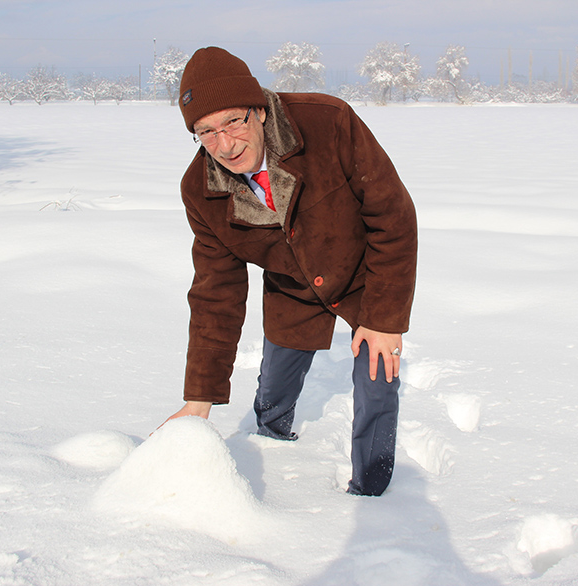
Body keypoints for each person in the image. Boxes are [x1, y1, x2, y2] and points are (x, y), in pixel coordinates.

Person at [162, 47, 417, 496]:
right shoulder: (201, 190)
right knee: (275, 388)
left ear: (259, 110)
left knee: (378, 378)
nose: (225, 145)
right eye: (206, 132)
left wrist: (383, 319)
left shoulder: (328, 123)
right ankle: (271, 440)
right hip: (290, 289)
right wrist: (198, 399)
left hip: (364, 278)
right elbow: (214, 295)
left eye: (234, 122)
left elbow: (392, 216)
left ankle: (373, 494)